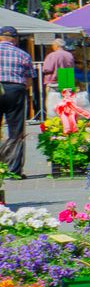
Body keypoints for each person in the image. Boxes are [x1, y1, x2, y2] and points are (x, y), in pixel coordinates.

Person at [0, 27, 29, 186]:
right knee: (16, 131)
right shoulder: (23, 54)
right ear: (15, 39)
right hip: (15, 89)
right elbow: (29, 81)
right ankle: (14, 170)